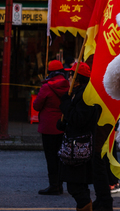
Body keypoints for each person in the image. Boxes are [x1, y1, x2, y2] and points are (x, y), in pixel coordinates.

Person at [57, 62, 101, 211]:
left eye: (70, 75)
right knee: (77, 185)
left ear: (76, 78)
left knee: (76, 186)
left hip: (79, 147)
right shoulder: (77, 92)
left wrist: (66, 105)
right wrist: (64, 124)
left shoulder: (85, 95)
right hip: (75, 145)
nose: (68, 78)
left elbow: (79, 119)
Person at [33, 60, 70, 195]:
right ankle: (59, 184)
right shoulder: (68, 85)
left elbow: (36, 106)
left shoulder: (46, 87)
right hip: (62, 125)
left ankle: (54, 185)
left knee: (51, 157)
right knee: (60, 157)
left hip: (48, 127)